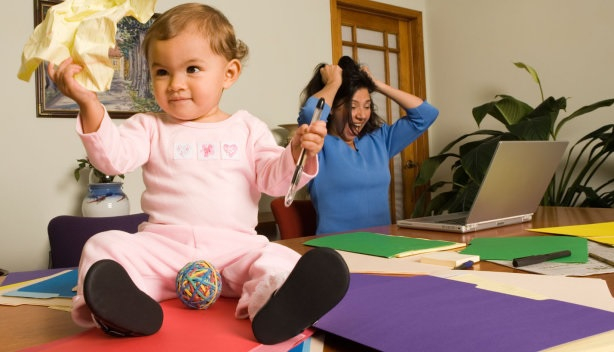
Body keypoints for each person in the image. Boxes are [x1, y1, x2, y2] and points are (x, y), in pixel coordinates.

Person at [47, 3, 349, 345]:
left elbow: (275, 181)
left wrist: (297, 152)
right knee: (103, 245)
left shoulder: (248, 128)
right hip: (162, 248)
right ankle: (122, 311)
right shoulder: (149, 126)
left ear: (229, 74)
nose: (175, 84)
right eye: (162, 72)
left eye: (192, 68)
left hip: (235, 249)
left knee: (278, 257)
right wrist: (89, 104)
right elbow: (111, 160)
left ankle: (274, 307)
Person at [298, 56, 439, 234]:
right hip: (337, 248)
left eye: (366, 106)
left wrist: (376, 84)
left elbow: (426, 115)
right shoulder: (317, 144)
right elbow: (311, 112)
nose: (361, 115)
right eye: (353, 106)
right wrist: (333, 83)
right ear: (332, 107)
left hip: (382, 248)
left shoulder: (379, 140)